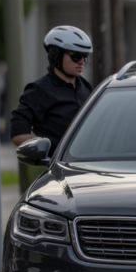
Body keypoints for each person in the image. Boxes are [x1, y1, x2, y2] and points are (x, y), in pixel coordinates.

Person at [10, 26, 93, 188]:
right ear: (55, 55)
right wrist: (49, 150)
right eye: (76, 56)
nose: (82, 61)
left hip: (88, 172)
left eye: (85, 56)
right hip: (55, 177)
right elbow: (17, 133)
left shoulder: (86, 88)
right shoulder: (38, 90)